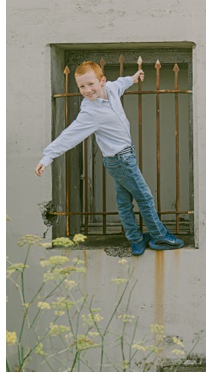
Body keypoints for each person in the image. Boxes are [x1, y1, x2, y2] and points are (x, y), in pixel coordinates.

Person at [35, 61, 184, 256]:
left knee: (124, 201)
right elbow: (69, 136)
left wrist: (134, 78)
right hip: (121, 160)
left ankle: (136, 240)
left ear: (102, 81)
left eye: (91, 84)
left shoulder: (112, 89)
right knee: (144, 197)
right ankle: (160, 236)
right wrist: (47, 157)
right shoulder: (90, 112)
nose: (87, 90)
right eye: (81, 86)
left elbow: (121, 82)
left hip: (122, 158)